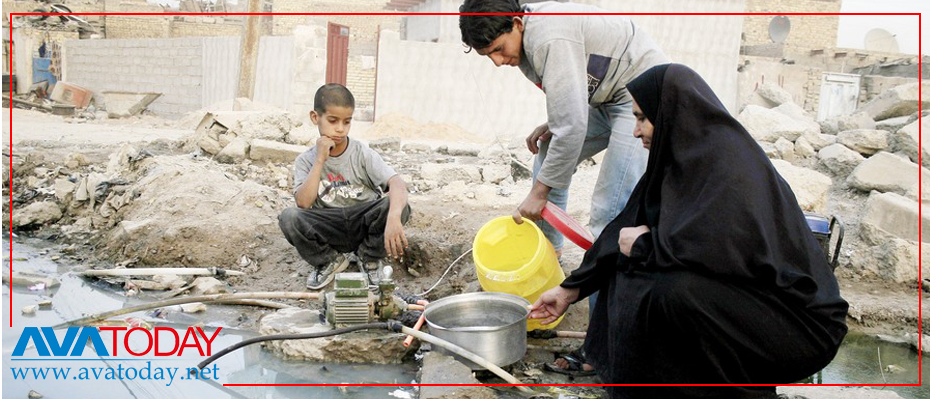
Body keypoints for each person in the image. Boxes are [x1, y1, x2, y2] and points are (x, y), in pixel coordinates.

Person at [528, 64, 849, 398]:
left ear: (670, 114)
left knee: (674, 289)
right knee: (630, 268)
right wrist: (569, 291)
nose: (635, 131)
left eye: (642, 118)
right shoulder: (677, 161)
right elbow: (621, 230)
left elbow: (721, 254)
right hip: (747, 305)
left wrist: (644, 247)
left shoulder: (730, 166)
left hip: (798, 324)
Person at [459, 0, 668, 258]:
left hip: (637, 94)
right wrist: (556, 122)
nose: (497, 62)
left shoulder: (548, 36)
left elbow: (571, 128)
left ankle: (606, 292)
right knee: (549, 151)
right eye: (488, 56)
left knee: (609, 208)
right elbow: (570, 108)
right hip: (607, 97)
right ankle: (548, 259)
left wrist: (537, 194)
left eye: (499, 50)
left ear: (516, 23)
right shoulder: (526, 42)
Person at [278, 84, 411, 290]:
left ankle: (369, 257)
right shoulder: (306, 160)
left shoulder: (361, 153)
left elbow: (397, 183)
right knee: (289, 217)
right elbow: (303, 203)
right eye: (333, 121)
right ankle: (329, 261)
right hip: (330, 225)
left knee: (397, 206)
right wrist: (320, 160)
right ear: (315, 117)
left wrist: (393, 217)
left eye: (346, 122)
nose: (340, 128)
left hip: (362, 222)